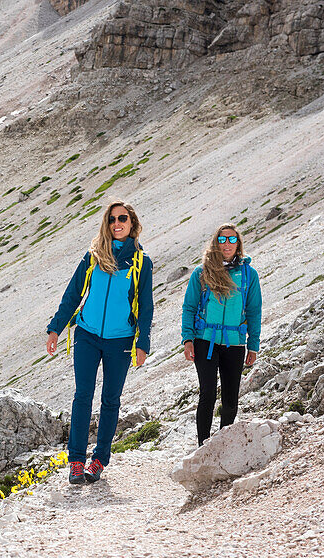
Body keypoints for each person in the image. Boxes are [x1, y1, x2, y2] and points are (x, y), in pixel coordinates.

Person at [45, 201, 154, 484]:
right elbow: (72, 294)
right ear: (107, 224)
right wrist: (55, 328)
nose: (117, 224)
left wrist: (143, 342)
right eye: (112, 219)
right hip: (87, 335)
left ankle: (99, 460)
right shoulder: (93, 256)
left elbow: (146, 305)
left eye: (123, 219)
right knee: (82, 396)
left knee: (110, 400)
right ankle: (76, 461)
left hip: (120, 340)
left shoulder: (141, 262)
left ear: (132, 224)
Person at [181, 223, 262, 446]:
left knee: (230, 400)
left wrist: (253, 345)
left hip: (235, 343)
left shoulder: (249, 275)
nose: (227, 244)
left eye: (232, 239)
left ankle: (222, 446)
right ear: (216, 243)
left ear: (238, 243)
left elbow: (254, 310)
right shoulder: (201, 272)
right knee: (207, 394)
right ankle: (203, 447)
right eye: (222, 239)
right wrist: (187, 340)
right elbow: (189, 307)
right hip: (204, 340)